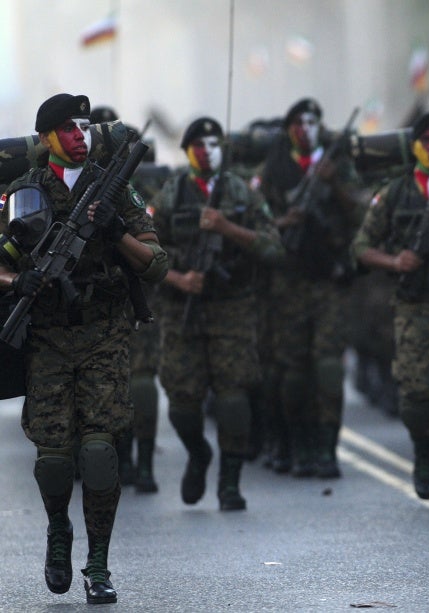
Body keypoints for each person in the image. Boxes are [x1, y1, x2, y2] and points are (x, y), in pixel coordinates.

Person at [0, 93, 168, 604]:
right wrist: (17, 281)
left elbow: (156, 264)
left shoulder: (115, 190)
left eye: (84, 127)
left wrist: (117, 233)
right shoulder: (24, 192)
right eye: (68, 128)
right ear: (47, 136)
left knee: (98, 453)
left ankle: (98, 563)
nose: (80, 135)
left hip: (104, 334)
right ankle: (58, 532)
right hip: (49, 338)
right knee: (53, 460)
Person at [151, 117, 283, 511]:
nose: (207, 150)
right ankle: (198, 453)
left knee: (233, 395)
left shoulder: (242, 191)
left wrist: (228, 228)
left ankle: (230, 482)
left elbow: (274, 248)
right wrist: (178, 278)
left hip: (232, 307)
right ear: (187, 150)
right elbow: (144, 253)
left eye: (214, 143)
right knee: (182, 402)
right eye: (199, 144)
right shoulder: (171, 193)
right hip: (182, 312)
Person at [351, 110, 429, 507]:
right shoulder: (394, 193)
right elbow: (360, 247)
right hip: (413, 306)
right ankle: (423, 455)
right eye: (427, 140)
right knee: (416, 395)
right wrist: (394, 262)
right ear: (415, 147)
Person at [256, 98, 362, 478]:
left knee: (329, 369)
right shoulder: (275, 170)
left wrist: (334, 185)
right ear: (289, 129)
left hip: (328, 280)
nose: (306, 127)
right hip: (287, 284)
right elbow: (255, 223)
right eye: (298, 122)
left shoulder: (337, 167)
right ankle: (298, 443)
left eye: (313, 120)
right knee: (293, 373)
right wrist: (286, 221)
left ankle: (327, 448)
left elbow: (362, 215)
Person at [90, 104, 163, 494]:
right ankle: (119, 459)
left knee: (141, 381)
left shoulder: (134, 191)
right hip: (92, 306)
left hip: (134, 297)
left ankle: (142, 461)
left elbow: (155, 251)